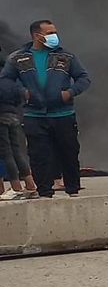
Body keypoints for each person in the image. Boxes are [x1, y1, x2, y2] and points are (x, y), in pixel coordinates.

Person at [2, 20, 91, 198]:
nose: (54, 36)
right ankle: (44, 191)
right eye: (50, 32)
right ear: (37, 35)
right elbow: (5, 81)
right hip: (34, 115)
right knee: (38, 155)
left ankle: (72, 189)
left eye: (54, 32)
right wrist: (22, 92)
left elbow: (83, 78)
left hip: (63, 114)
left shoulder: (66, 56)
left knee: (69, 151)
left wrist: (70, 92)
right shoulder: (18, 58)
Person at [0, 72, 36, 200]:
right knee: (17, 151)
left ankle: (16, 188)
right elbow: (21, 97)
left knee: (5, 153)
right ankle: (30, 185)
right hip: (13, 117)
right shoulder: (12, 82)